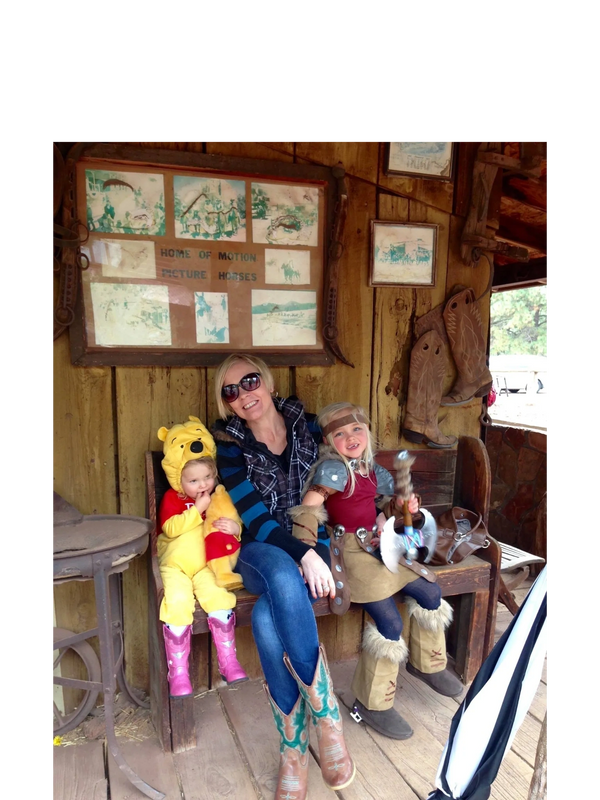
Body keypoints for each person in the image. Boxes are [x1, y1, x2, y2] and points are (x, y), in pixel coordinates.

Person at [212, 355, 355, 800]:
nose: (243, 394)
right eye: (230, 391)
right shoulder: (230, 446)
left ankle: (293, 748)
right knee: (279, 570)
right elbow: (255, 519)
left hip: (311, 537)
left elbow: (341, 470)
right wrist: (304, 556)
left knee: (265, 618)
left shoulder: (309, 426)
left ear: (269, 383)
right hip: (258, 549)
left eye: (249, 381)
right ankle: (327, 717)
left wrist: (314, 546)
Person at [294, 401, 464, 740]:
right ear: (328, 441)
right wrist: (306, 554)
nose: (351, 437)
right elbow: (308, 511)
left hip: (377, 544)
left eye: (356, 429)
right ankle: (371, 703)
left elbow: (381, 504)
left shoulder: (371, 469)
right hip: (349, 553)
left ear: (367, 431)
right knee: (390, 622)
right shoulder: (333, 470)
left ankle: (427, 663)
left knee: (430, 591)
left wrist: (400, 508)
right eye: (340, 433)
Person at [157, 417, 249, 697]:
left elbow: (231, 522)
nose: (202, 485)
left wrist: (236, 530)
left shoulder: (219, 498)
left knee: (219, 597)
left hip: (206, 567)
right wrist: (197, 509)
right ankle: (179, 674)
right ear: (179, 480)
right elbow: (170, 528)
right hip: (175, 567)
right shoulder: (173, 498)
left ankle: (228, 661)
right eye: (193, 481)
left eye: (207, 477)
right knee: (177, 603)